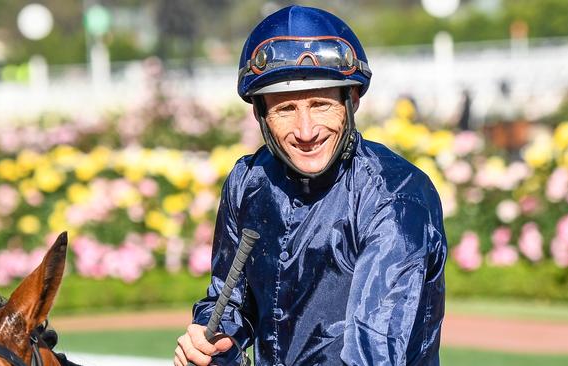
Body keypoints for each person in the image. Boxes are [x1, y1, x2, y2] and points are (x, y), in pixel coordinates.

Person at [174, 5, 447, 366]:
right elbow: (229, 302)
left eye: (320, 104)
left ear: (351, 100)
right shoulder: (247, 181)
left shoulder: (394, 198)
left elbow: (373, 353)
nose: (306, 131)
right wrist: (212, 343)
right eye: (286, 109)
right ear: (261, 114)